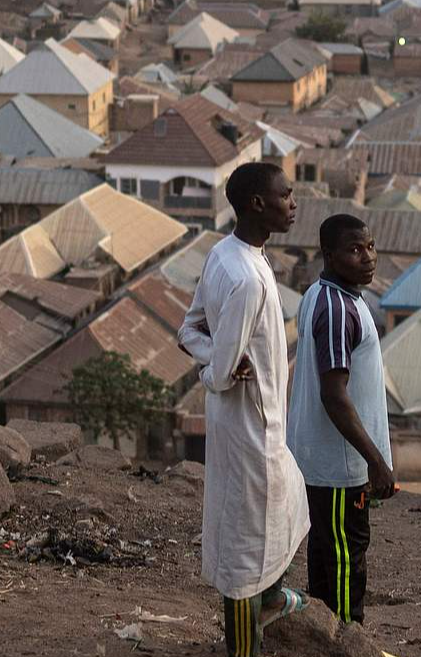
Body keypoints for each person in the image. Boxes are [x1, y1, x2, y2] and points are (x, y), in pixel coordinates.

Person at [179, 162, 310, 655]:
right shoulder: (248, 280)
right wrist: (220, 368)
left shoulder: (228, 254)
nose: (292, 203)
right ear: (258, 203)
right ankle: (243, 645)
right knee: (242, 546)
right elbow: (217, 371)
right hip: (250, 426)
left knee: (287, 510)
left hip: (256, 423)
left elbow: (188, 332)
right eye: (286, 195)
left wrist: (218, 358)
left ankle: (272, 598)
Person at [287, 214, 395, 625]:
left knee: (328, 551)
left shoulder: (330, 294)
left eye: (369, 247)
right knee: (346, 556)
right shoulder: (335, 309)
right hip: (338, 466)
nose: (367, 258)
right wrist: (375, 461)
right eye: (354, 250)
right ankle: (347, 640)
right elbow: (334, 396)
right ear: (328, 254)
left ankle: (324, 635)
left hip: (328, 461)